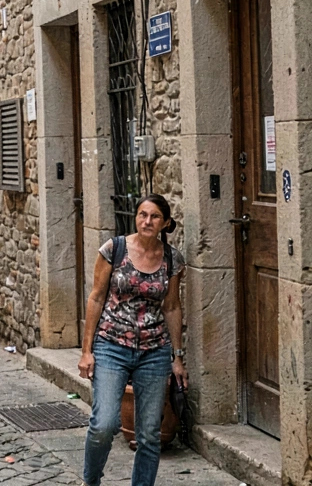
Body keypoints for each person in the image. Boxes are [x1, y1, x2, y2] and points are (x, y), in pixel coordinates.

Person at [78, 194, 187, 486]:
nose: (146, 221)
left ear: (165, 222)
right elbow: (96, 297)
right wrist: (86, 351)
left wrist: (177, 357)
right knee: (104, 425)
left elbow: (173, 306)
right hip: (111, 345)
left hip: (154, 351)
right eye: (142, 215)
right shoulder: (114, 249)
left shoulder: (172, 259)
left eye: (153, 217)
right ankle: (91, 480)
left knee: (150, 434)